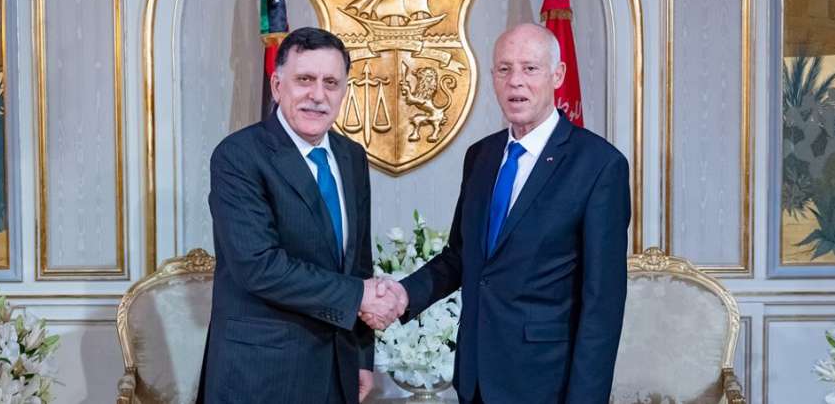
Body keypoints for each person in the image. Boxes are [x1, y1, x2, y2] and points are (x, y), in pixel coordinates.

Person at [367, 23, 631, 403]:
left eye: (530, 68)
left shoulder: (598, 166)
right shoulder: (482, 155)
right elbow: (461, 256)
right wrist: (403, 295)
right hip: (475, 378)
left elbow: (602, 305)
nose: (515, 81)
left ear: (558, 75)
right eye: (504, 69)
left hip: (545, 384)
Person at [198, 27, 404, 404]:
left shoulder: (351, 157)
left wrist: (361, 356)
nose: (318, 95)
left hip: (337, 367)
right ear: (277, 86)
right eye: (305, 79)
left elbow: (357, 262)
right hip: (262, 375)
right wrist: (359, 295)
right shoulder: (238, 156)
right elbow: (258, 266)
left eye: (331, 83)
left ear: (343, 91)